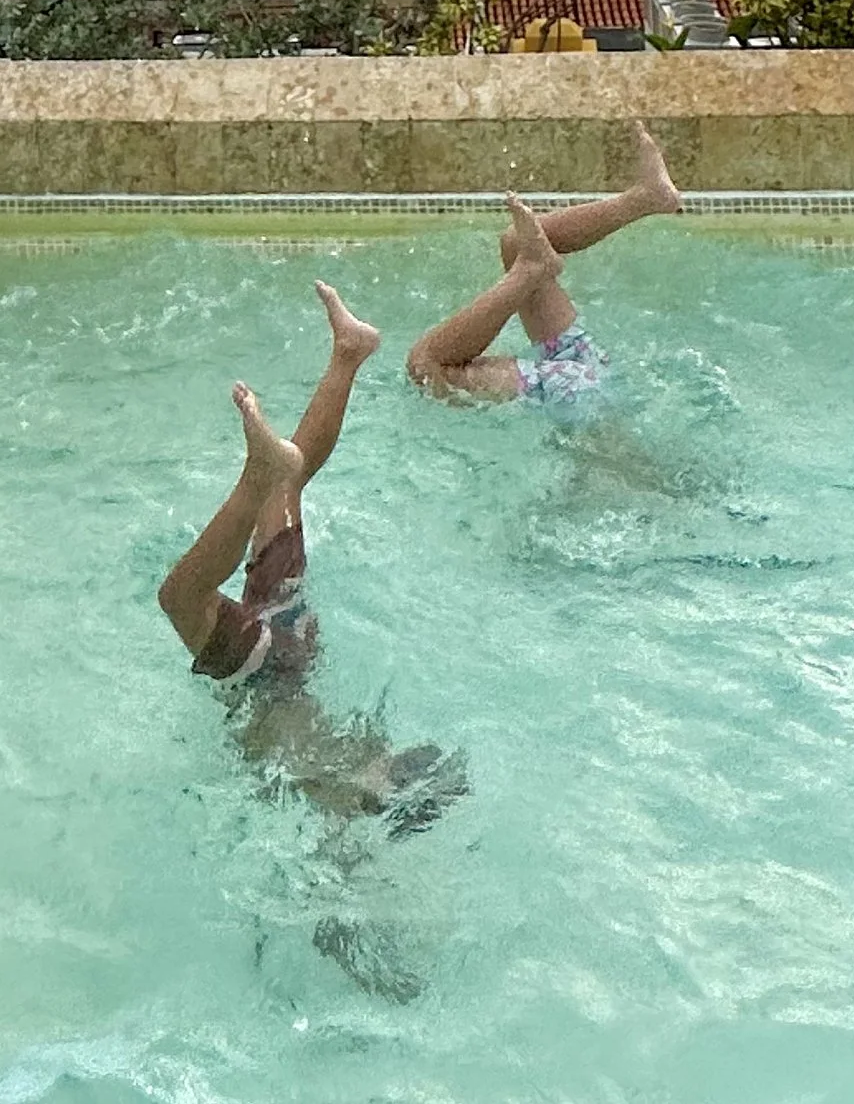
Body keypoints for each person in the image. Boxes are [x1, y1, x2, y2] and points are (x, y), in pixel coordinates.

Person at [156, 281, 463, 837]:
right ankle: (264, 469)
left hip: (279, 656)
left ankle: (347, 356)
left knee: (279, 495)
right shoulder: (341, 788)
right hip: (264, 675)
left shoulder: (344, 774)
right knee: (183, 595)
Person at [404, 121, 682, 410]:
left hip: (581, 396)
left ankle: (532, 269)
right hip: (585, 382)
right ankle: (647, 197)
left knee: (427, 367)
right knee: (517, 243)